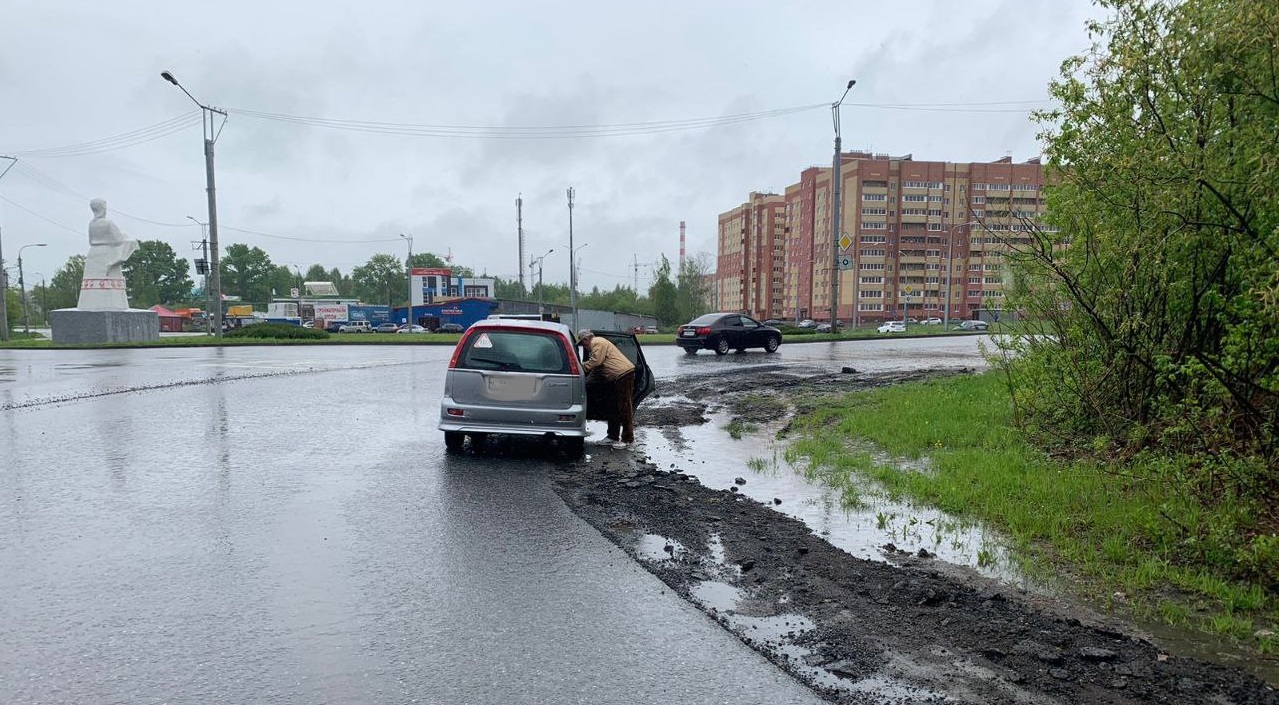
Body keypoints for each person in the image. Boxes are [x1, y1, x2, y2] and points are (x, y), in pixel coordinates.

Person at [579, 329, 636, 449]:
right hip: (615, 378)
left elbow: (596, 362)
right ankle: (612, 436)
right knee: (612, 407)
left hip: (623, 375)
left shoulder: (597, 342)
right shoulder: (597, 344)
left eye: (582, 343)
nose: (583, 346)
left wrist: (581, 368)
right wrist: (584, 383)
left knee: (624, 407)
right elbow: (597, 371)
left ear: (586, 339)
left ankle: (627, 439)